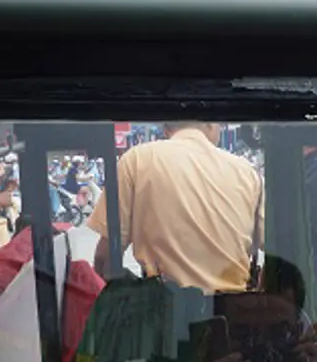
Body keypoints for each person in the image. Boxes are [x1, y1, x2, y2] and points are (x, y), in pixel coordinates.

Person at [87, 121, 263, 291]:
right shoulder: (247, 172)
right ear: (211, 124)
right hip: (234, 309)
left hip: (164, 311)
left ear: (166, 129)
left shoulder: (136, 160)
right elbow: (275, 248)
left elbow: (106, 260)